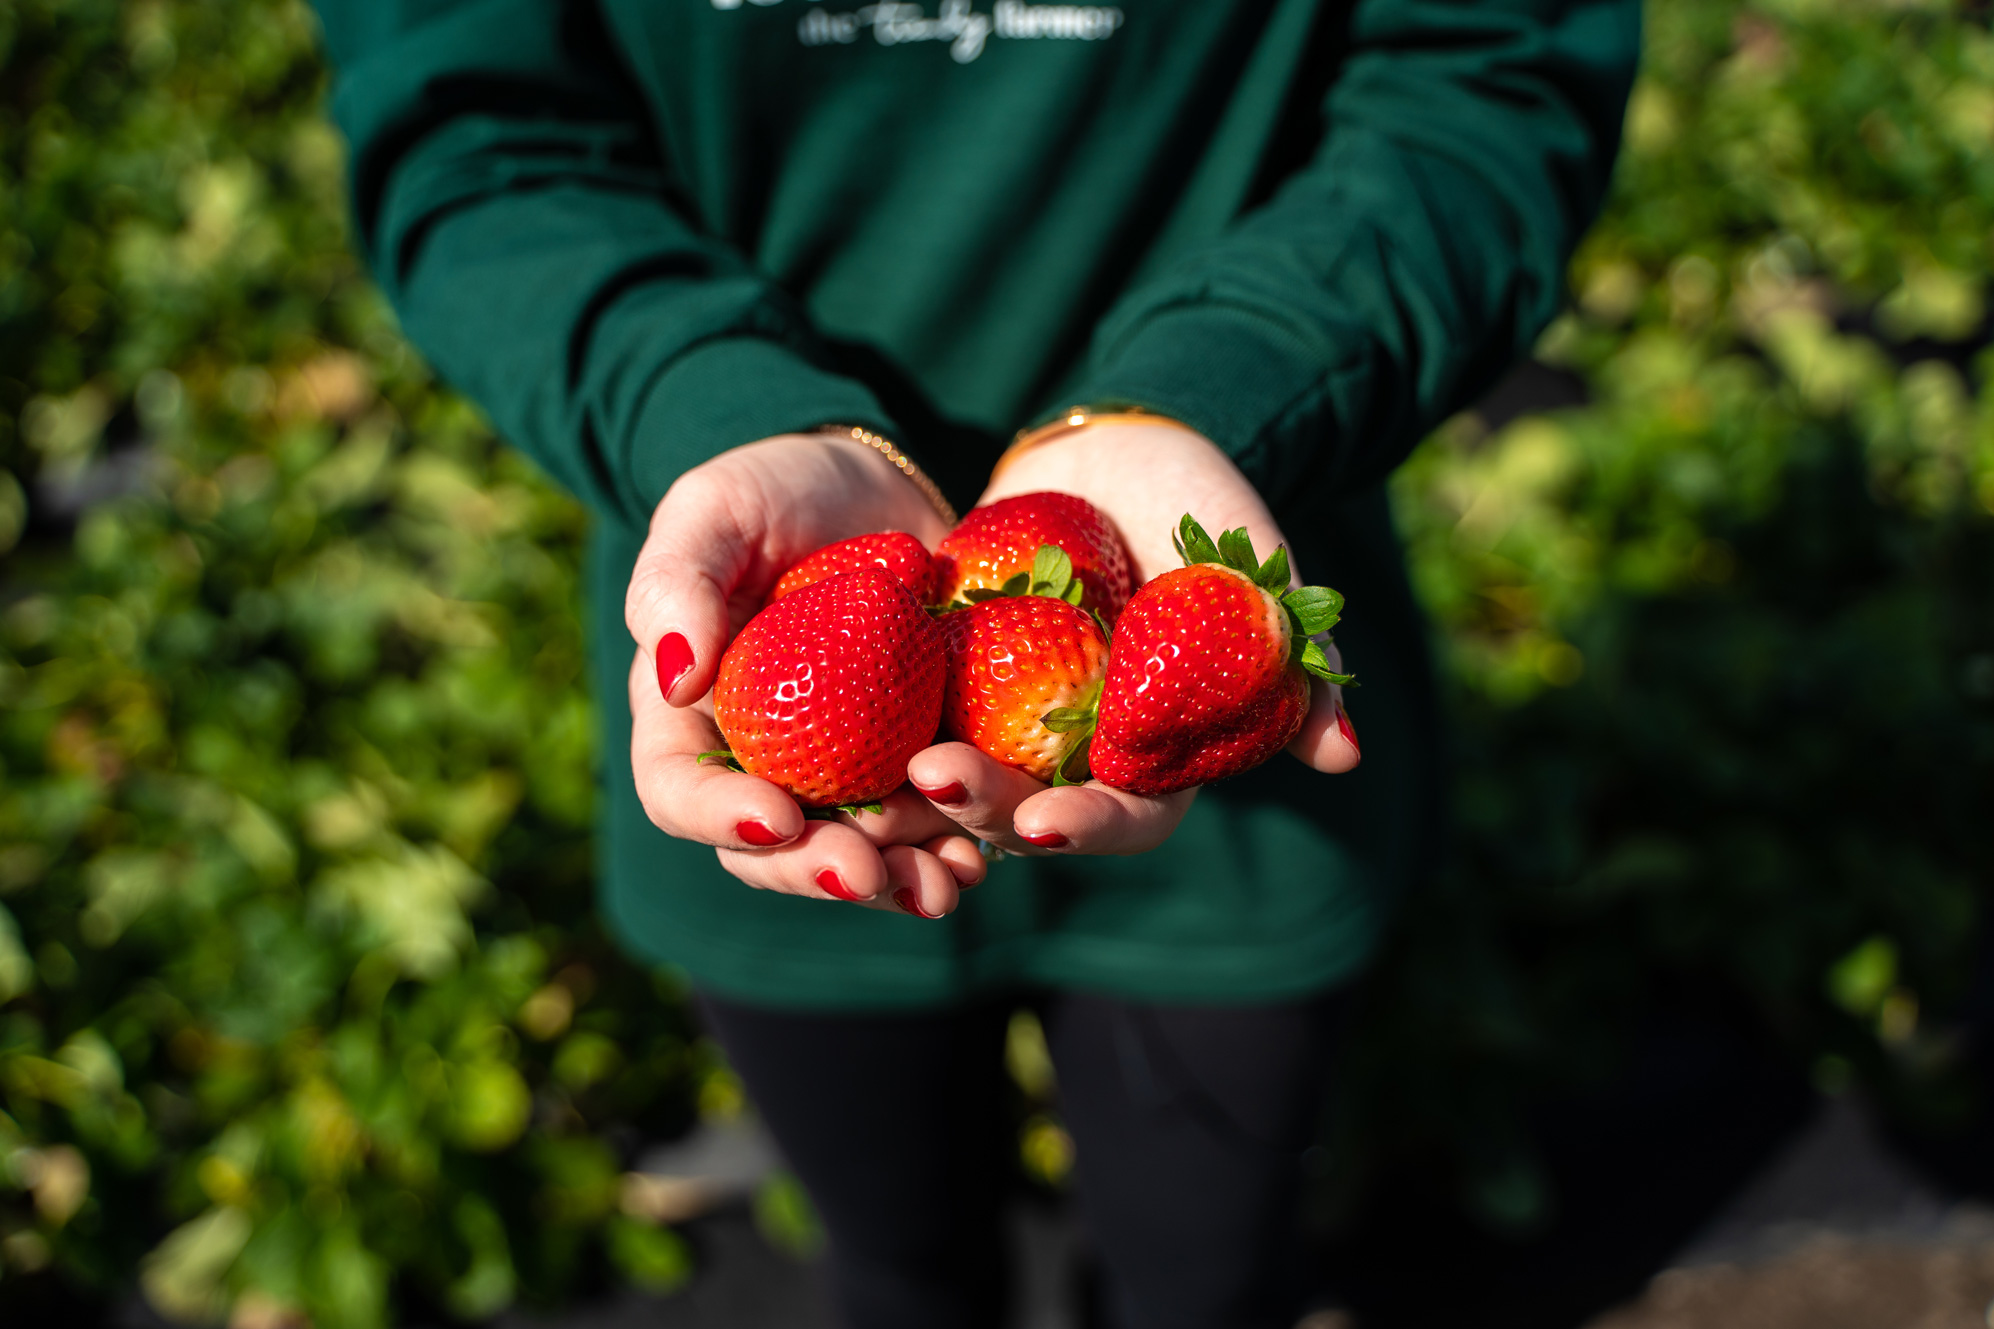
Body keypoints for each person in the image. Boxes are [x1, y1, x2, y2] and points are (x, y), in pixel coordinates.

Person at [313, 0, 1637, 1323]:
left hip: (1234, 726)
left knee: (1205, 1282)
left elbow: (1485, 75)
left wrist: (1226, 381)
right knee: (899, 1275)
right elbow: (474, 131)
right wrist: (705, 405)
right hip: (760, 636)